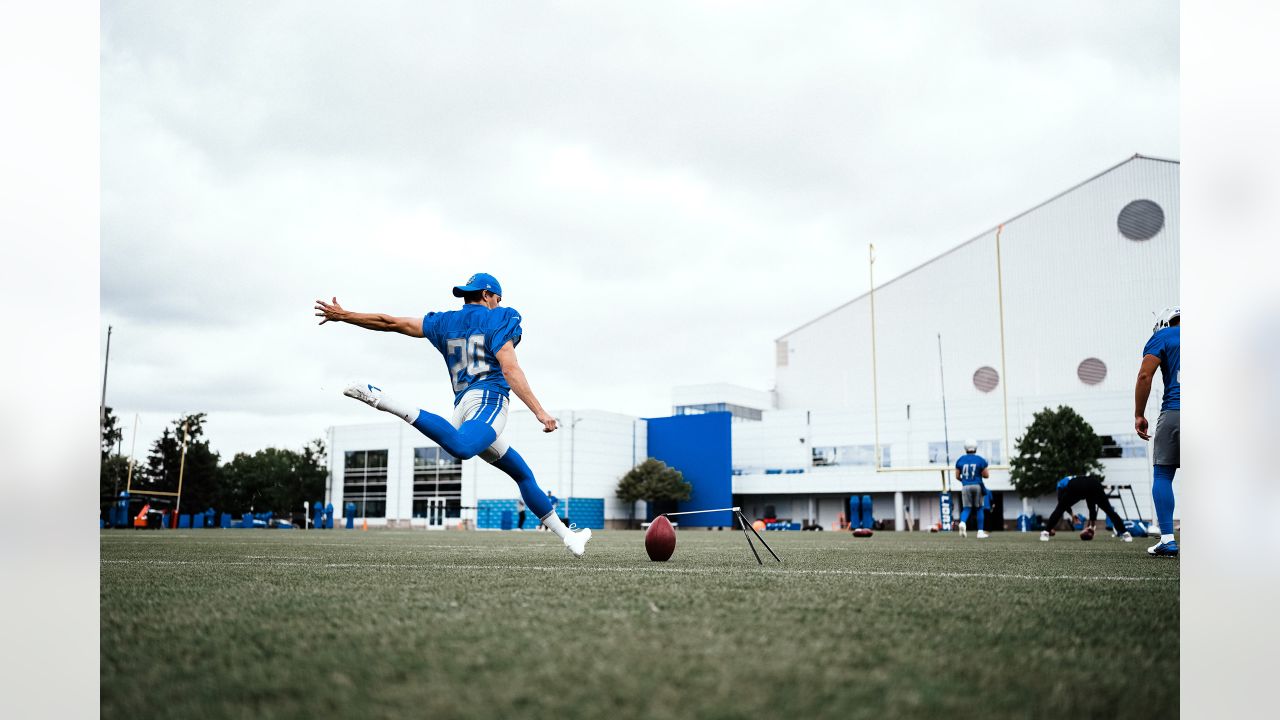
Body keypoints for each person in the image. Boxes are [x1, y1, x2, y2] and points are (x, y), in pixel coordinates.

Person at [314, 273, 592, 557]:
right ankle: (383, 399)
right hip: (488, 399)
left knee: (522, 474)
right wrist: (540, 411)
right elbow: (509, 368)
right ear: (487, 295)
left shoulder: (444, 321)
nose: (499, 303)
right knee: (461, 448)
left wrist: (345, 315)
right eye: (497, 298)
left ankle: (569, 536)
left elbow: (391, 323)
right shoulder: (502, 316)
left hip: (463, 408)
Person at [1136, 306, 1180, 557]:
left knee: (1163, 475)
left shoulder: (1163, 336)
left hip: (1175, 410)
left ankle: (1167, 539)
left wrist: (1139, 414)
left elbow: (1145, 376)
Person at [1039, 475, 1133, 542]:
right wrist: (1091, 524)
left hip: (1076, 486)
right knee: (1109, 511)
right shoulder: (1079, 477)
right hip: (1094, 483)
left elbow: (1061, 504)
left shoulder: (1060, 484)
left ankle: (1045, 533)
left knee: (1059, 509)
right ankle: (1126, 534)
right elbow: (1091, 505)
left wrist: (1071, 515)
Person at [954, 440, 990, 539]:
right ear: (975, 448)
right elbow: (986, 475)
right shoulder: (980, 459)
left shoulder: (961, 459)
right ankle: (980, 532)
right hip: (977, 485)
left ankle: (962, 523)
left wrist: (965, 481)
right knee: (979, 508)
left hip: (965, 486)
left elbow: (957, 476)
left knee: (966, 508)